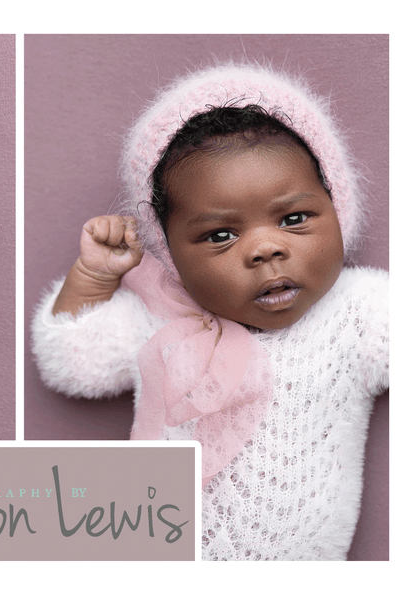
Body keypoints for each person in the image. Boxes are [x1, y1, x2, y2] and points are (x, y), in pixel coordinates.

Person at [31, 63, 388, 560]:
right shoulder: (166, 318)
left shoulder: (358, 310)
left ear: (337, 207)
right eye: (220, 235)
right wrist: (93, 278)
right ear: (169, 248)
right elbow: (72, 361)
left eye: (294, 218)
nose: (265, 249)